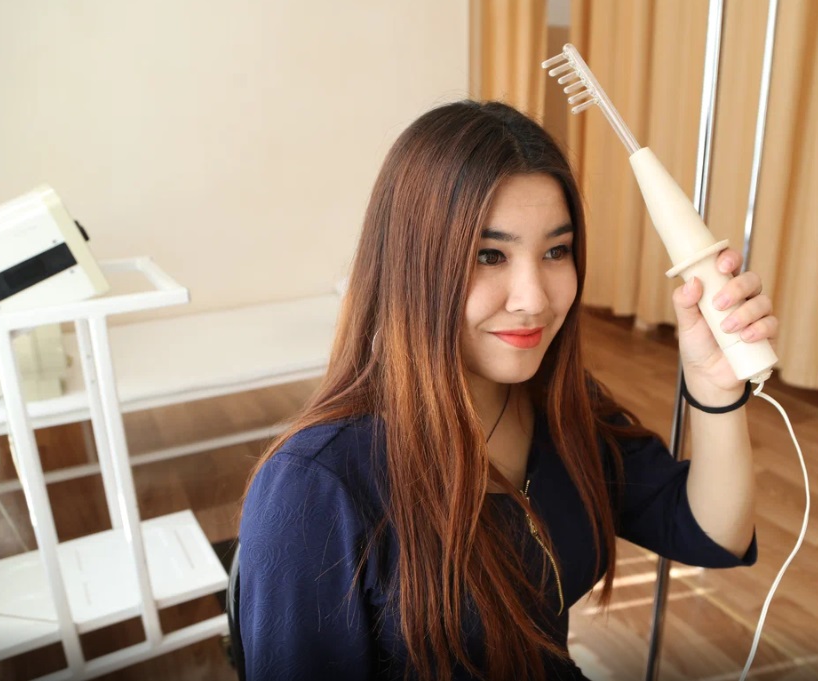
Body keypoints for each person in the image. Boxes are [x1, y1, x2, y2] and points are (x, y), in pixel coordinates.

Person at [238, 100, 777, 681]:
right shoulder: (317, 486)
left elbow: (712, 534)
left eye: (556, 252)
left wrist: (714, 388)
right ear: (411, 265)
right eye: (489, 255)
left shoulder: (561, 407)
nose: (534, 298)